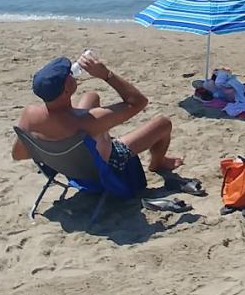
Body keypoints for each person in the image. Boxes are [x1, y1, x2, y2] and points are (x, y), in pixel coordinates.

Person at [12, 53, 199, 196]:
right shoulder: (87, 122)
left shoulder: (30, 115)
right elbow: (138, 102)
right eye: (69, 74)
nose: (72, 73)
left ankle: (99, 140)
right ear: (66, 90)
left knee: (91, 96)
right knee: (162, 123)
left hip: (71, 167)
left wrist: (54, 148)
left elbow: (18, 154)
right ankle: (158, 163)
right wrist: (106, 75)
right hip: (105, 171)